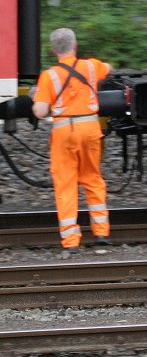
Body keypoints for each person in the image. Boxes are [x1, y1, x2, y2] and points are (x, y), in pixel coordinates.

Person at [31, 28, 113, 251]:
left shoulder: (49, 76)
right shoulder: (90, 66)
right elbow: (109, 68)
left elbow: (39, 111)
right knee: (93, 178)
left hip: (64, 132)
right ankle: (101, 234)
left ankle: (71, 242)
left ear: (53, 50)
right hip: (90, 128)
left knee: (66, 183)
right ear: (75, 46)